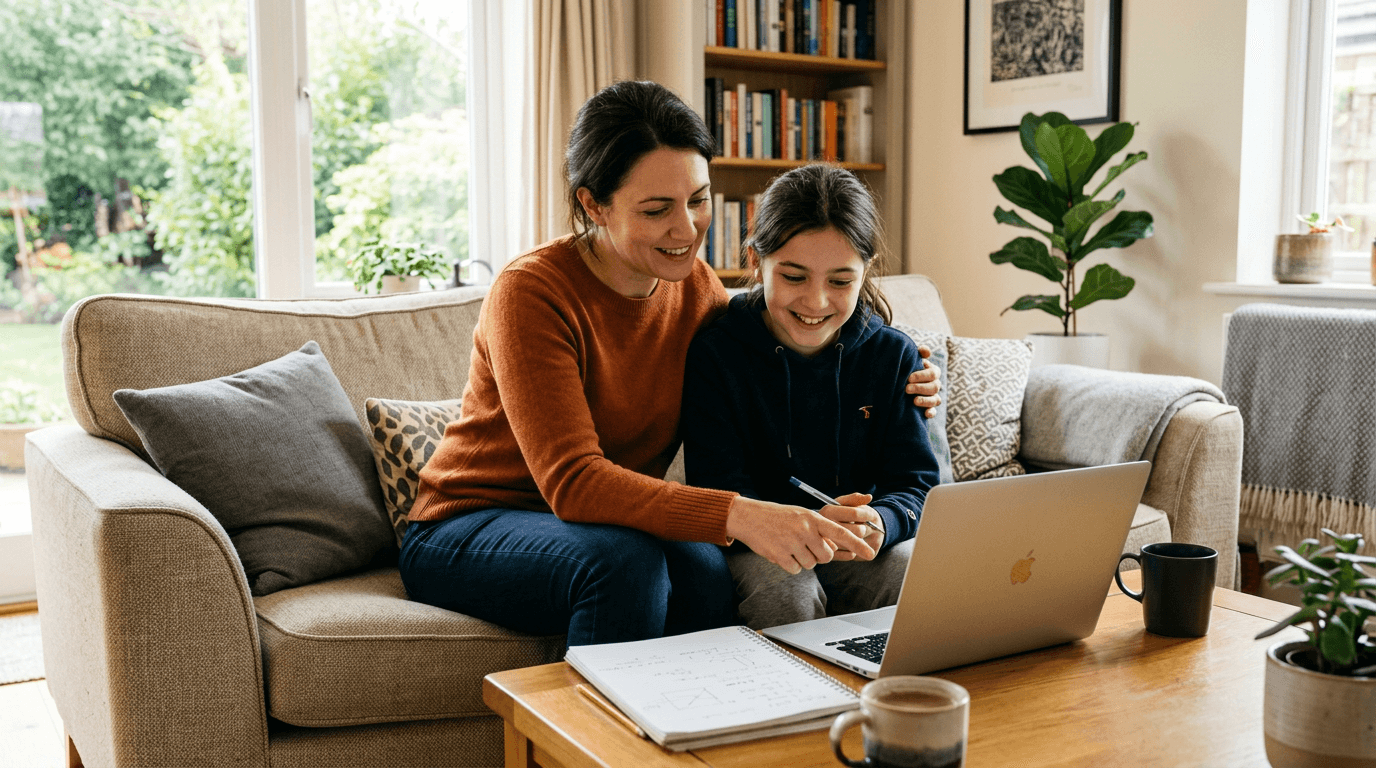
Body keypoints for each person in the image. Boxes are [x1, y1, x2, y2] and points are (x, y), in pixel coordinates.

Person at [398, 81, 942, 649]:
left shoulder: (697, 291)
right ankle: (595, 738)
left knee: (707, 574)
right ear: (592, 204)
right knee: (625, 565)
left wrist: (910, 368)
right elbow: (573, 484)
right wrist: (744, 515)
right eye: (657, 210)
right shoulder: (531, 293)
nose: (686, 231)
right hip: (470, 525)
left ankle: (723, 726)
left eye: (698, 199)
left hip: (608, 521)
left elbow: (783, 332)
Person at [681, 164, 942, 630]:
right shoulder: (717, 352)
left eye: (840, 282)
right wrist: (789, 524)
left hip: (854, 546)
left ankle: (897, 701)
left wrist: (881, 521)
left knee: (913, 573)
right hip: (757, 546)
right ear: (756, 260)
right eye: (794, 277)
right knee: (786, 590)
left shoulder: (893, 355)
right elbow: (717, 483)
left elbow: (917, 483)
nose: (816, 302)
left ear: (867, 271)